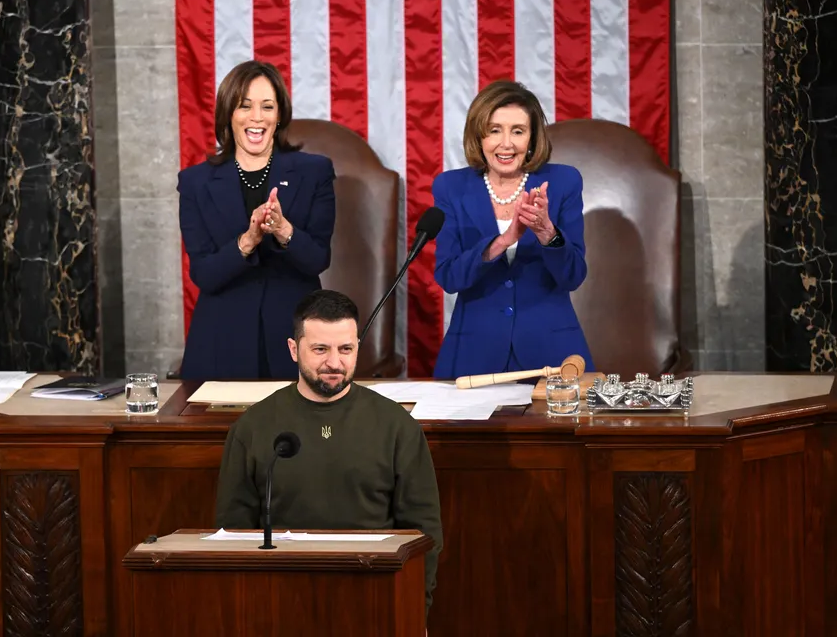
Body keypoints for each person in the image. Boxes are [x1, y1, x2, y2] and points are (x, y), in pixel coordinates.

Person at [215, 290, 443, 617]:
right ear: (294, 350)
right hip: (279, 599)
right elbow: (232, 536)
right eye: (320, 349)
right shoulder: (253, 427)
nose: (334, 363)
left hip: (375, 595)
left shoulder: (396, 425)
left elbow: (425, 535)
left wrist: (414, 611)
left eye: (346, 349)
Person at [178, 60, 336, 380]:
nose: (256, 117)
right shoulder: (195, 182)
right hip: (221, 343)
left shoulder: (314, 172)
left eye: (267, 106)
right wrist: (247, 241)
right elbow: (204, 274)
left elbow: (318, 258)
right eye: (245, 106)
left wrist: (283, 229)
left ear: (279, 115)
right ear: (229, 115)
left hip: (294, 338)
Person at [432, 80, 595, 379]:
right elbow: (448, 276)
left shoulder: (563, 182)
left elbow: (573, 275)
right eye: (494, 130)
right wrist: (503, 241)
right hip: (473, 355)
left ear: (532, 138)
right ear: (478, 136)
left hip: (551, 353)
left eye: (518, 131)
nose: (506, 143)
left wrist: (547, 232)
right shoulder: (451, 187)